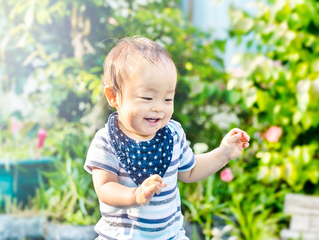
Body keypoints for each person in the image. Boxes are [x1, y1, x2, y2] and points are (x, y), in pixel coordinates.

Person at [84, 36, 250, 240]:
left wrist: (224, 153)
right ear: (113, 96)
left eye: (167, 98)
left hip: (169, 235)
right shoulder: (107, 141)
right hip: (122, 236)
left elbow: (190, 171)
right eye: (147, 97)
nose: (158, 107)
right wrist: (135, 195)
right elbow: (105, 187)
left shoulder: (172, 133)